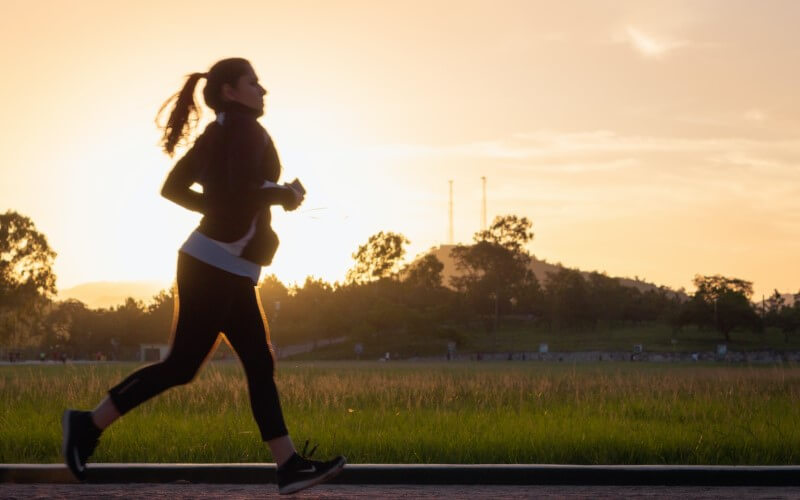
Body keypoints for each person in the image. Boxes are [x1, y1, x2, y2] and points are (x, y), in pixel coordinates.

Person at [61, 57, 346, 495]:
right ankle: (86, 425)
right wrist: (284, 194)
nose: (262, 90)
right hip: (213, 264)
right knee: (184, 366)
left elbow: (177, 188)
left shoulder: (220, 132)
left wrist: (224, 209)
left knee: (256, 361)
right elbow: (237, 192)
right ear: (231, 91)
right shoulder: (242, 132)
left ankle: (288, 465)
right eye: (254, 82)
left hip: (222, 264)